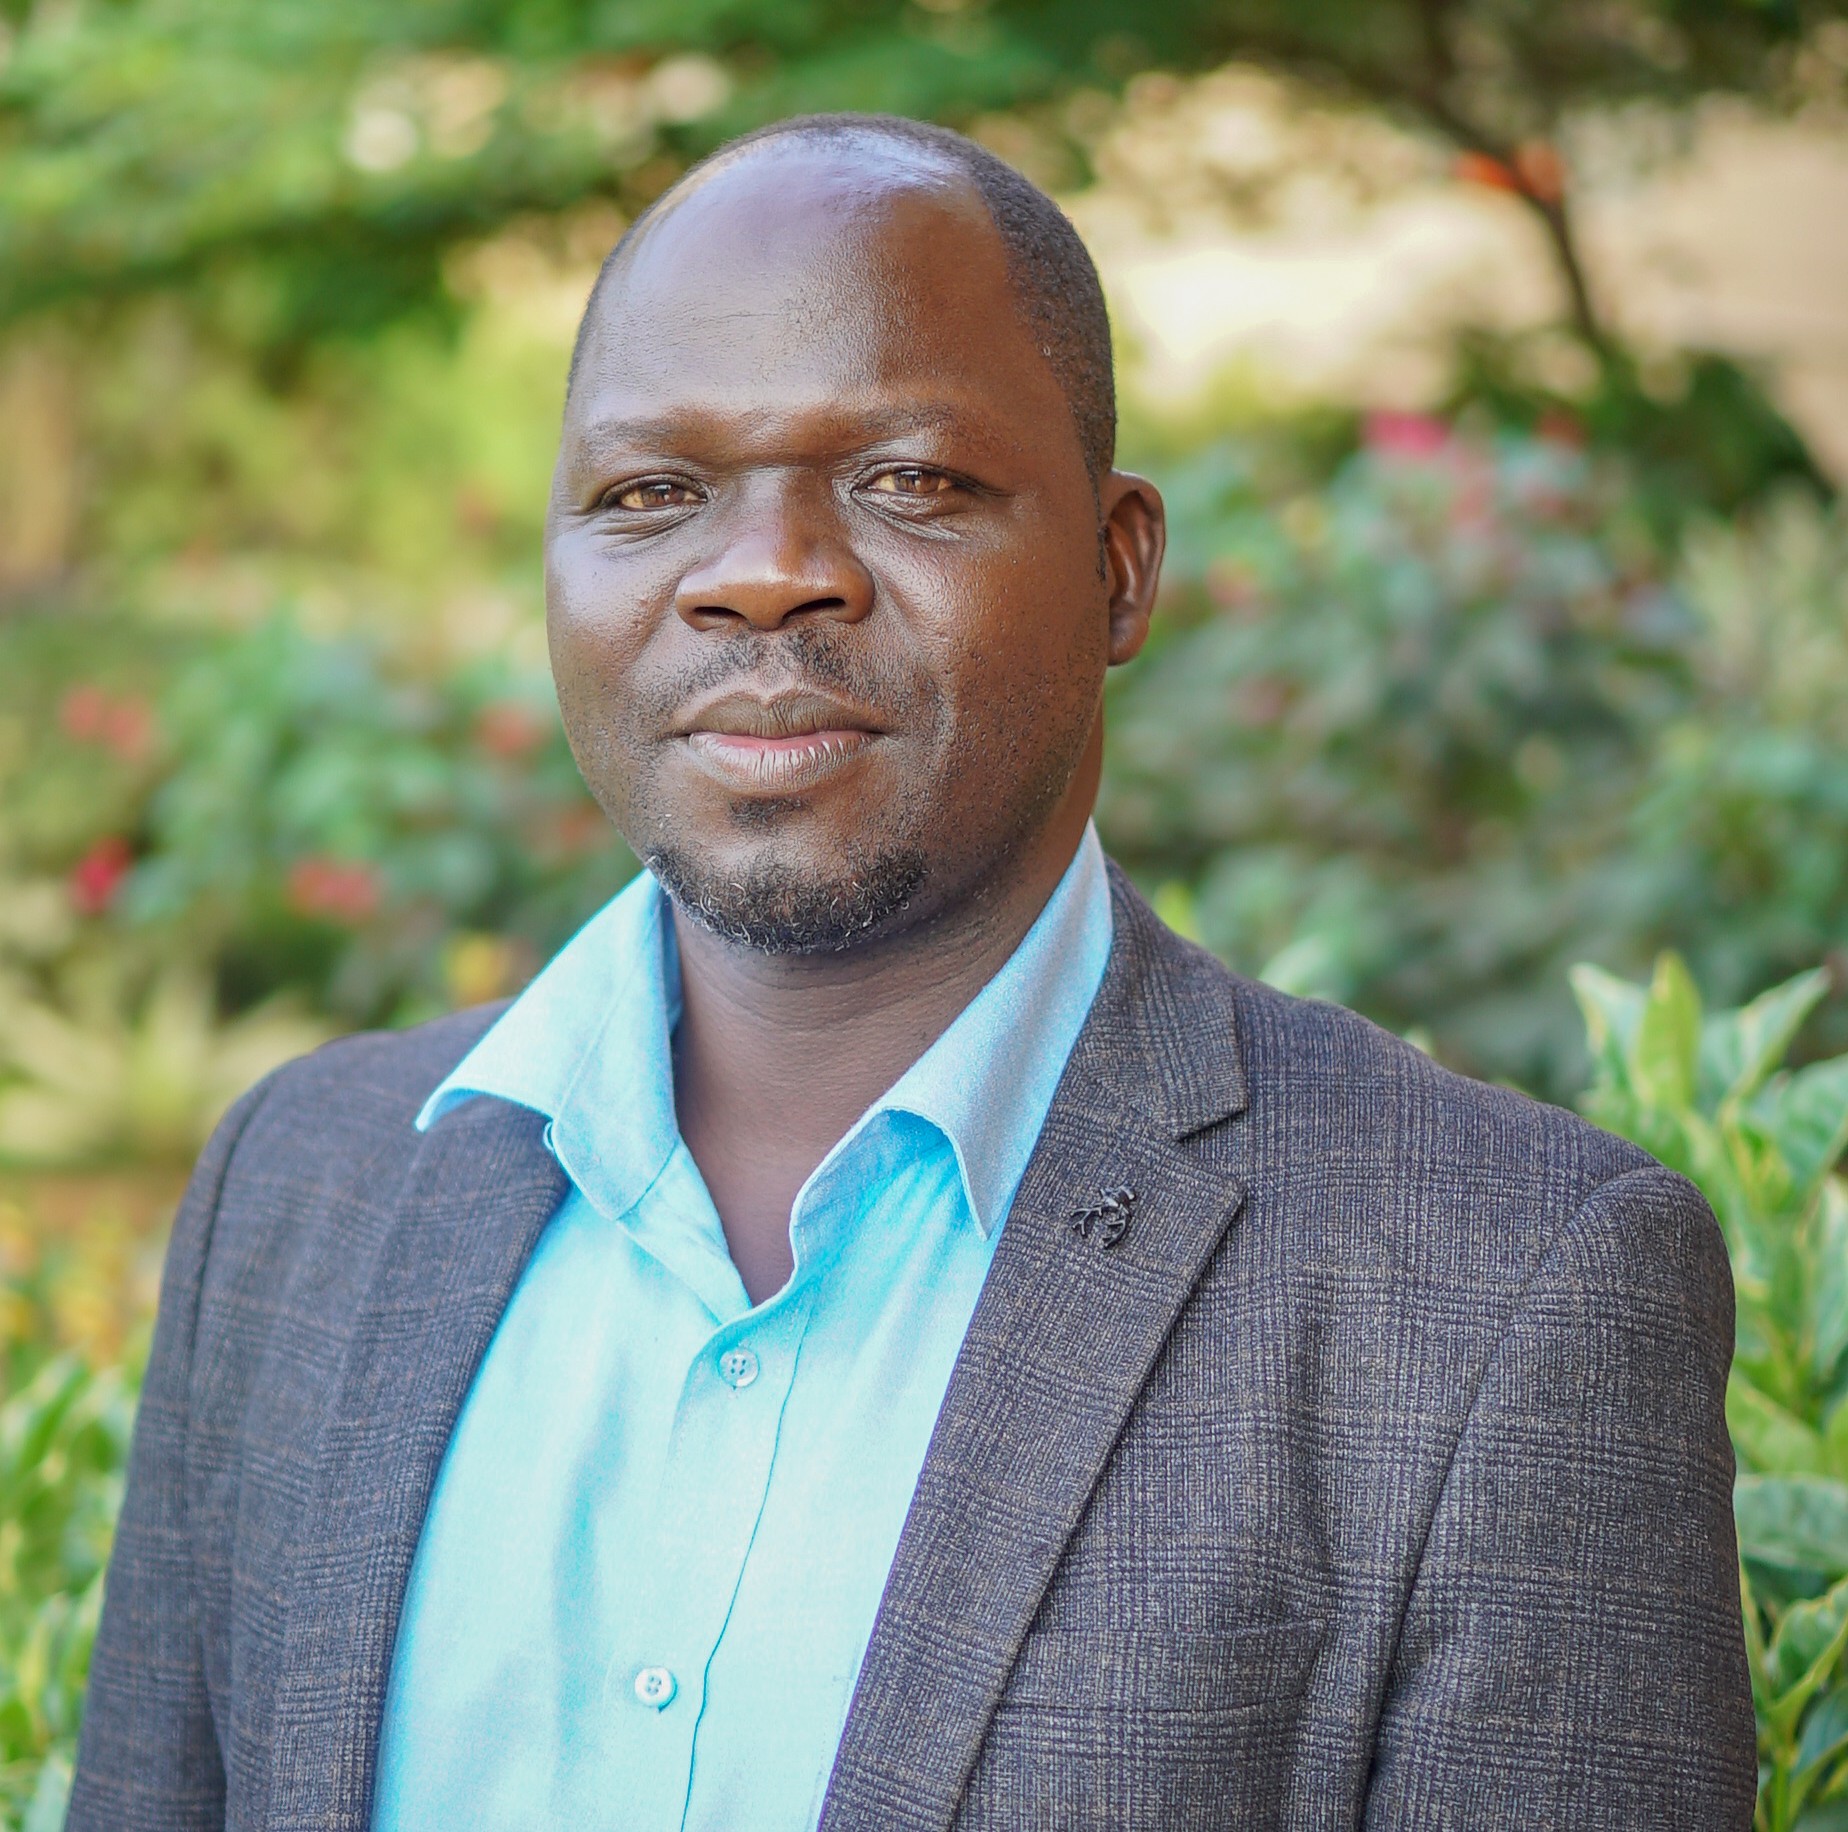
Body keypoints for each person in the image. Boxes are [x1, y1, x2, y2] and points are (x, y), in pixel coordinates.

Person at [69, 113, 1756, 1831]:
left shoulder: (1501, 1295)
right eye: (652, 494)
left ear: (1118, 570)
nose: (761, 575)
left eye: (908, 482)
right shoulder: (301, 1194)